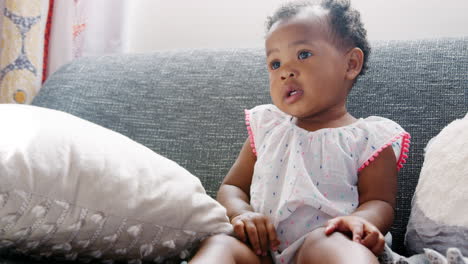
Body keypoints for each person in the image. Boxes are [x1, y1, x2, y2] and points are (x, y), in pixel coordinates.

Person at [190, 0, 410, 263]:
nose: (285, 71)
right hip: (262, 252)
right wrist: (241, 213)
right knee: (221, 245)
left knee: (328, 244)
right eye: (275, 63)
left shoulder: (369, 139)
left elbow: (380, 202)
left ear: (350, 64)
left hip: (328, 245)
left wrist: (359, 221)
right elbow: (232, 186)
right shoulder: (268, 127)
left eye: (303, 54)